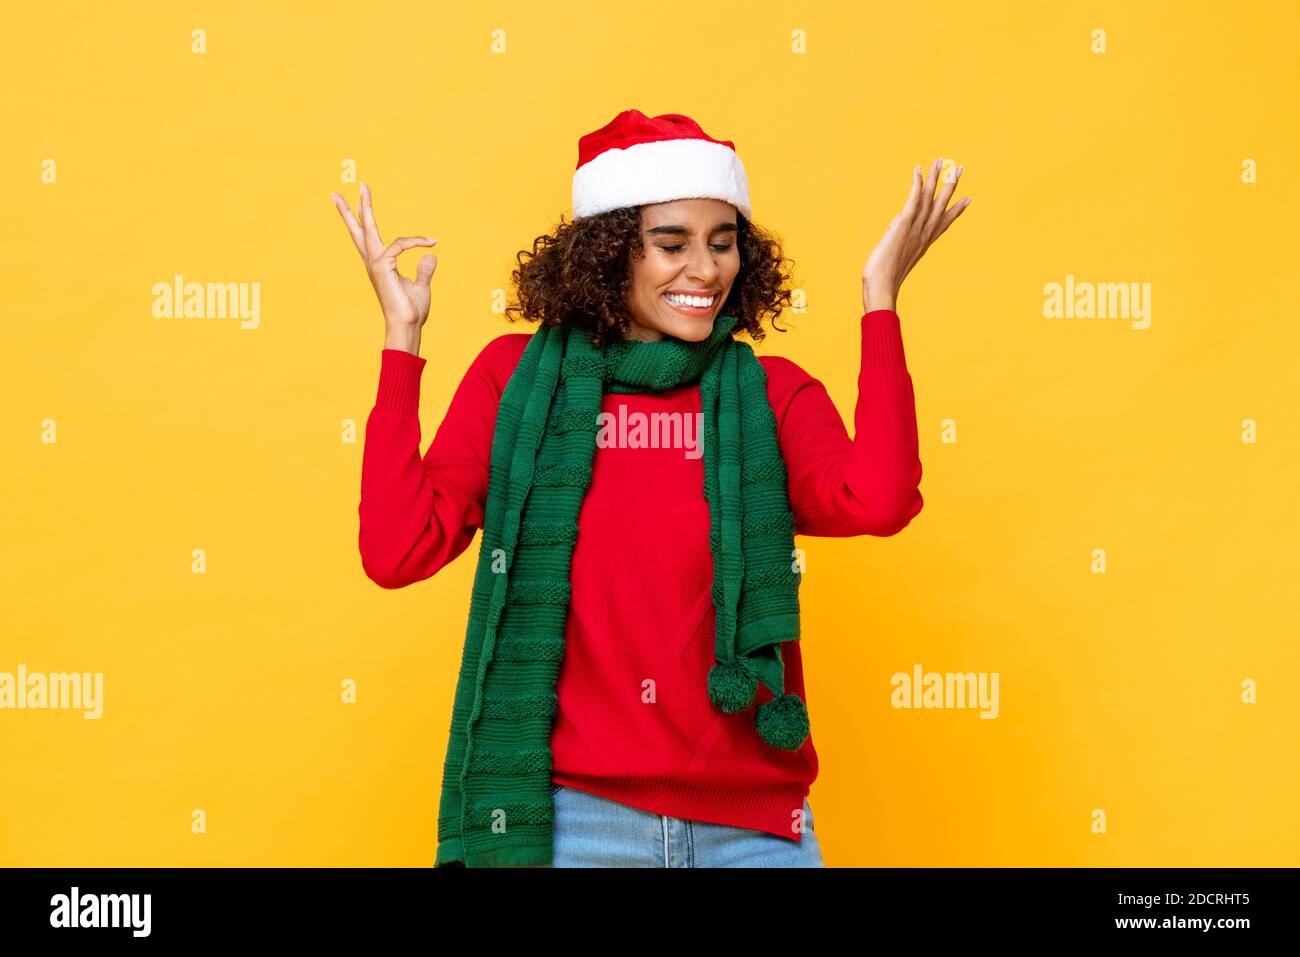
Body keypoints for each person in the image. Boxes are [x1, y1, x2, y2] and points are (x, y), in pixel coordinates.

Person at [330, 109, 971, 867]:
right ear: (608, 255)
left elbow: (884, 497)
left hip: (755, 834)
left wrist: (880, 299)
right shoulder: (516, 385)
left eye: (722, 242)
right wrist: (401, 341)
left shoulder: (769, 396)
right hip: (572, 829)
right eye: (671, 243)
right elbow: (396, 548)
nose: (703, 269)